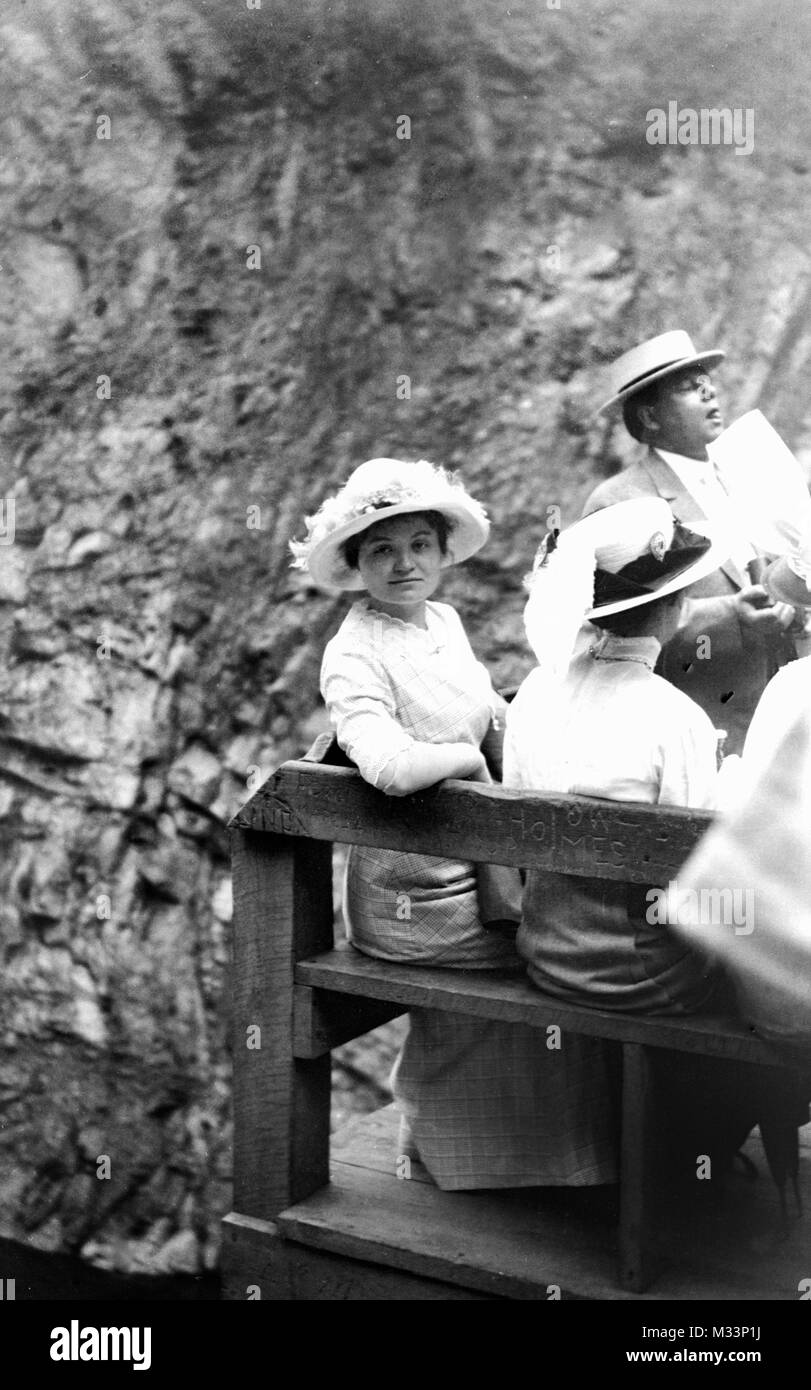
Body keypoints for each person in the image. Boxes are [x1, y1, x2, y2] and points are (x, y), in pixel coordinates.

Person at [290, 457, 617, 1189]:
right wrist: (468, 761)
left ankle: (544, 1158)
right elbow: (386, 766)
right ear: (355, 563)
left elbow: (487, 711)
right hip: (415, 893)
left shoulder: (442, 619)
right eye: (381, 549)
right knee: (570, 957)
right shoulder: (351, 653)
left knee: (583, 931)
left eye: (417, 545)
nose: (403, 564)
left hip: (474, 867)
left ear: (440, 553)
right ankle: (480, 1154)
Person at [582, 330, 798, 754]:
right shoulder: (620, 500)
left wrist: (790, 599)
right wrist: (729, 614)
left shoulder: (750, 475)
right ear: (649, 417)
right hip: (696, 720)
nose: (708, 392)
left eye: (706, 382)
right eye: (687, 388)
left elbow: (787, 562)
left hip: (778, 705)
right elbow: (608, 624)